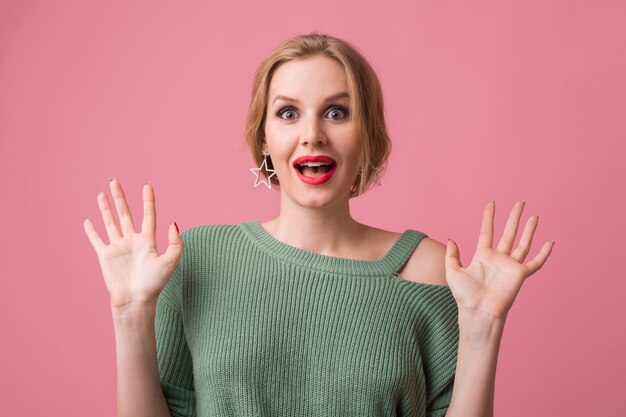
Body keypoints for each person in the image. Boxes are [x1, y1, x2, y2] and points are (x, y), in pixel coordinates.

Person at [83, 32, 554, 417]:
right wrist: (130, 313)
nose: (312, 134)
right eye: (288, 113)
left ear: (366, 132)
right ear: (264, 138)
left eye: (337, 112)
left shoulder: (431, 270)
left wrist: (484, 326)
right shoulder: (196, 261)